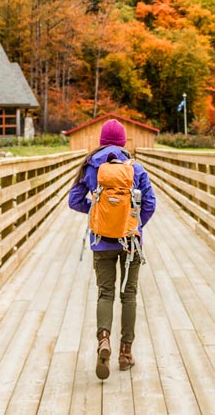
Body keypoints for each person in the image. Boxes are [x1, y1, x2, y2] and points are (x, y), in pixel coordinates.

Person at [68, 119, 156, 380]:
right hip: (130, 241)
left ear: (101, 141)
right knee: (128, 295)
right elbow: (150, 203)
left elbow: (74, 200)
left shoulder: (90, 166)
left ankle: (103, 340)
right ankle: (125, 353)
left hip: (101, 240)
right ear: (124, 142)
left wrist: (97, 214)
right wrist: (134, 224)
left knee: (105, 293)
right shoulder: (135, 168)